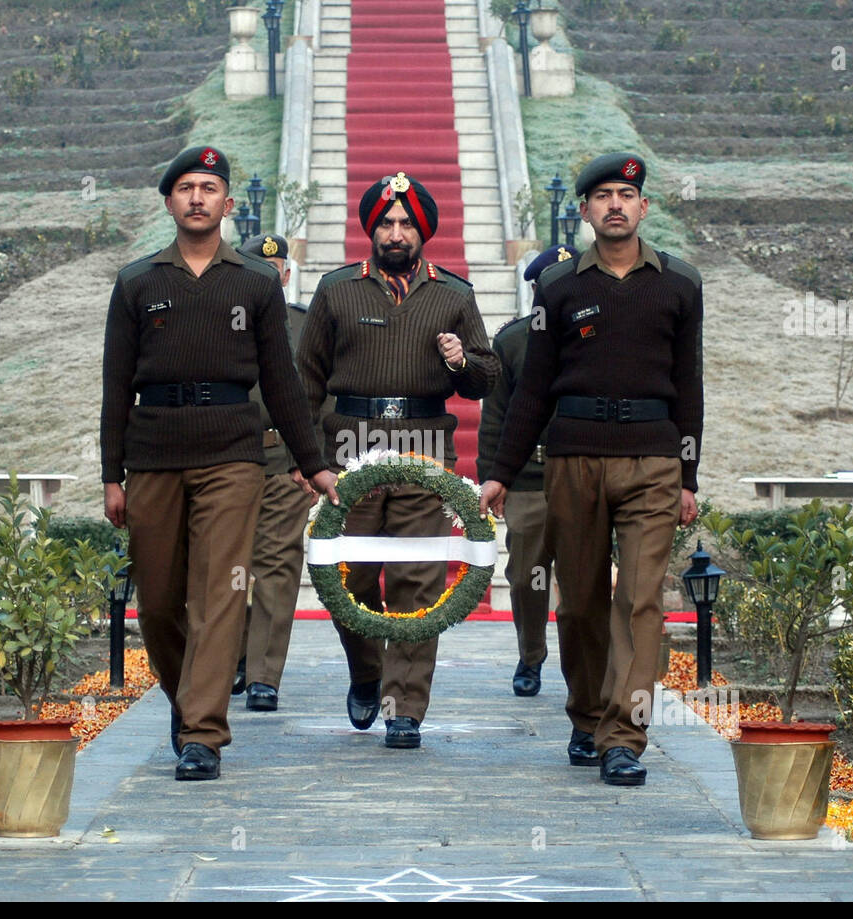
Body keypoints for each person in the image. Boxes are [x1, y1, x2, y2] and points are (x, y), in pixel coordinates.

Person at [100, 145, 338, 781]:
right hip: (154, 452)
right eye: (186, 187)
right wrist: (110, 475)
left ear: (227, 204)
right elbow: (115, 384)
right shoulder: (138, 281)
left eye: (209, 187)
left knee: (220, 590)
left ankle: (204, 729)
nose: (198, 197)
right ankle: (187, 698)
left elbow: (282, 382)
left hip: (232, 455)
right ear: (170, 202)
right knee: (156, 602)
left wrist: (312, 463)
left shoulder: (253, 283)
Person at [480, 152, 703, 787]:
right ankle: (585, 716)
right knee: (578, 601)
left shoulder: (680, 284)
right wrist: (501, 471)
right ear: (584, 211)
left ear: (643, 207)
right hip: (573, 459)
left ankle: (623, 737)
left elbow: (690, 385)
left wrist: (688, 475)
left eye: (625, 195)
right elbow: (533, 391)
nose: (614, 205)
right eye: (601, 195)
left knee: (637, 601)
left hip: (653, 459)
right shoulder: (559, 288)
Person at [295, 171, 498, 749]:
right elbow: (306, 380)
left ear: (424, 232)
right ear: (371, 229)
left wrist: (462, 361)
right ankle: (367, 672)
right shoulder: (336, 291)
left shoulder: (454, 295)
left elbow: (489, 377)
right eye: (386, 222)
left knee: (417, 581)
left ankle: (404, 707)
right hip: (349, 456)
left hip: (425, 453)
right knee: (348, 579)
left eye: (407, 223)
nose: (395, 232)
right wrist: (306, 457)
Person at [475, 246, 571, 703]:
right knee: (527, 574)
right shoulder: (513, 341)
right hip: (531, 476)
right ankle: (531, 655)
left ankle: (582, 663)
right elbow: (494, 415)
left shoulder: (594, 332)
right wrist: (494, 476)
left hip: (580, 473)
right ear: (535, 290)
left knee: (580, 577)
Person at [234, 232, 314, 713]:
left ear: (284, 274)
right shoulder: (221, 317)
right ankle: (234, 658)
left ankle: (264, 674)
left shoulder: (304, 326)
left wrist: (314, 461)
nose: (269, 276)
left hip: (284, 463)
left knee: (277, 567)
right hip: (227, 460)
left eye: (276, 270)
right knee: (226, 567)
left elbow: (322, 394)